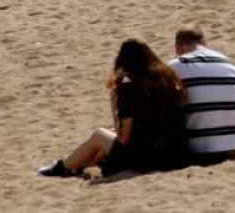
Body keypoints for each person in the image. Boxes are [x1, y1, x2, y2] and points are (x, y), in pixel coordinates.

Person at [39, 40, 188, 179]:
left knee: (99, 135)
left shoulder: (129, 89)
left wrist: (114, 104)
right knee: (108, 136)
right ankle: (78, 165)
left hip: (148, 158)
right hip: (174, 153)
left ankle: (63, 167)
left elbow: (124, 138)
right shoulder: (167, 82)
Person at [167, 27, 235, 167]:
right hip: (232, 149)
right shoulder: (233, 67)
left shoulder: (175, 66)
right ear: (204, 43)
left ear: (178, 47)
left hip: (197, 151)